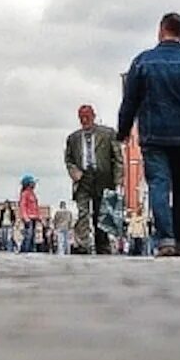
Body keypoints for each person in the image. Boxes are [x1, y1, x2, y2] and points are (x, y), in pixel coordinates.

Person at [118, 12, 180, 257]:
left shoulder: (142, 62)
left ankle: (166, 239)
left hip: (153, 136)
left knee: (159, 185)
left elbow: (129, 102)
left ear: (161, 30)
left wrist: (123, 131)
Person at [65, 104, 124, 254]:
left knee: (102, 211)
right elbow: (69, 159)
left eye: (87, 117)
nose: (85, 120)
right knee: (83, 211)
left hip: (103, 177)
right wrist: (74, 172)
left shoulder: (108, 134)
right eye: (82, 118)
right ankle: (82, 244)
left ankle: (102, 244)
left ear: (93, 116)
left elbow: (118, 157)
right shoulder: (73, 138)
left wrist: (119, 179)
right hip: (83, 178)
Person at [19, 175, 41, 253]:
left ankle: (31, 249)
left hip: (34, 217)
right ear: (28, 183)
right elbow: (23, 206)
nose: (34, 184)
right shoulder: (25, 193)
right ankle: (25, 250)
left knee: (32, 235)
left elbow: (36, 207)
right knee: (29, 235)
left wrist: (38, 217)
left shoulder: (32, 194)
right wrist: (25, 217)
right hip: (28, 218)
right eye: (32, 182)